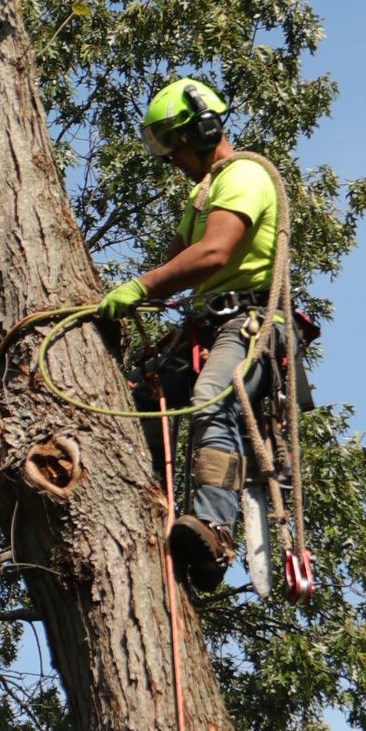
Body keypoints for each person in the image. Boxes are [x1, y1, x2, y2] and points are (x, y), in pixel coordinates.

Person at [94, 78, 282, 590]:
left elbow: (213, 254)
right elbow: (176, 261)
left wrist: (139, 285)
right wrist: (118, 301)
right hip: (204, 326)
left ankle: (215, 530)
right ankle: (151, 500)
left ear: (203, 129)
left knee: (211, 398)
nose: (172, 159)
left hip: (248, 326)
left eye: (174, 145)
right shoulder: (202, 194)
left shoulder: (245, 176)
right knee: (138, 395)